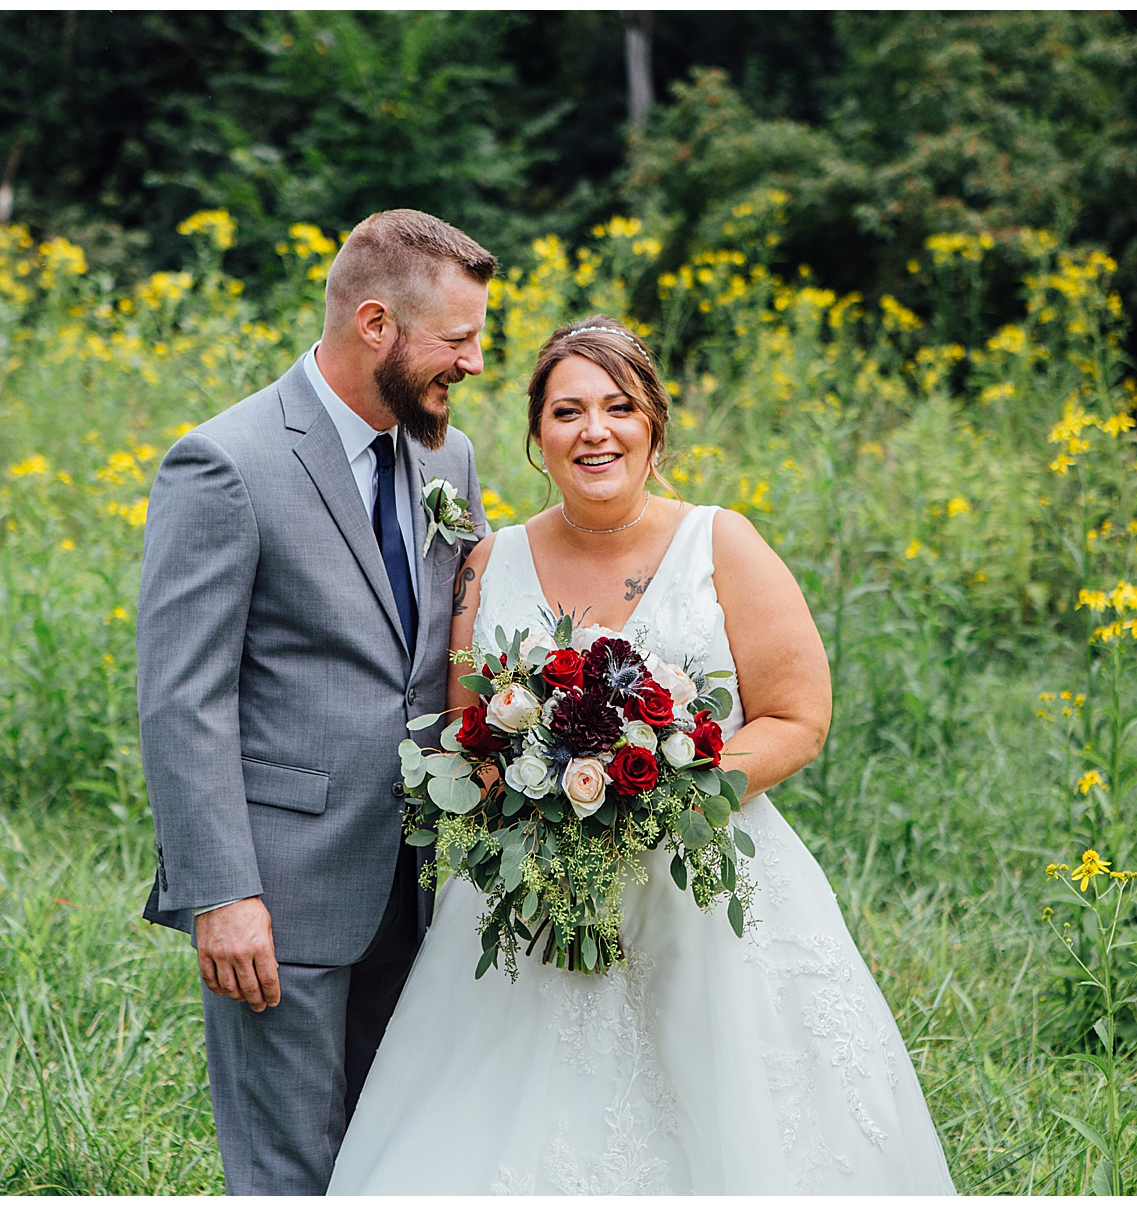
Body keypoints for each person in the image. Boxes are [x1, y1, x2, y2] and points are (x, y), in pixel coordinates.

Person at [327, 316, 956, 1194]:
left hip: (699, 891)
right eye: (568, 411)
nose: (595, 431)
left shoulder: (720, 543)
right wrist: (531, 800)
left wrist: (669, 797)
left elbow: (798, 717)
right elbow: (468, 730)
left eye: (619, 408)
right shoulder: (488, 562)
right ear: (538, 437)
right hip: (533, 904)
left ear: (654, 426)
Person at [136, 210, 494, 1195]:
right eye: (457, 341)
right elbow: (182, 698)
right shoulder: (225, 465)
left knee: (389, 1160)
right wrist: (221, 893)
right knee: (289, 1172)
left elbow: (473, 625)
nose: (472, 364)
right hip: (280, 893)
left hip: (417, 881)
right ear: (375, 324)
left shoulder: (445, 460)